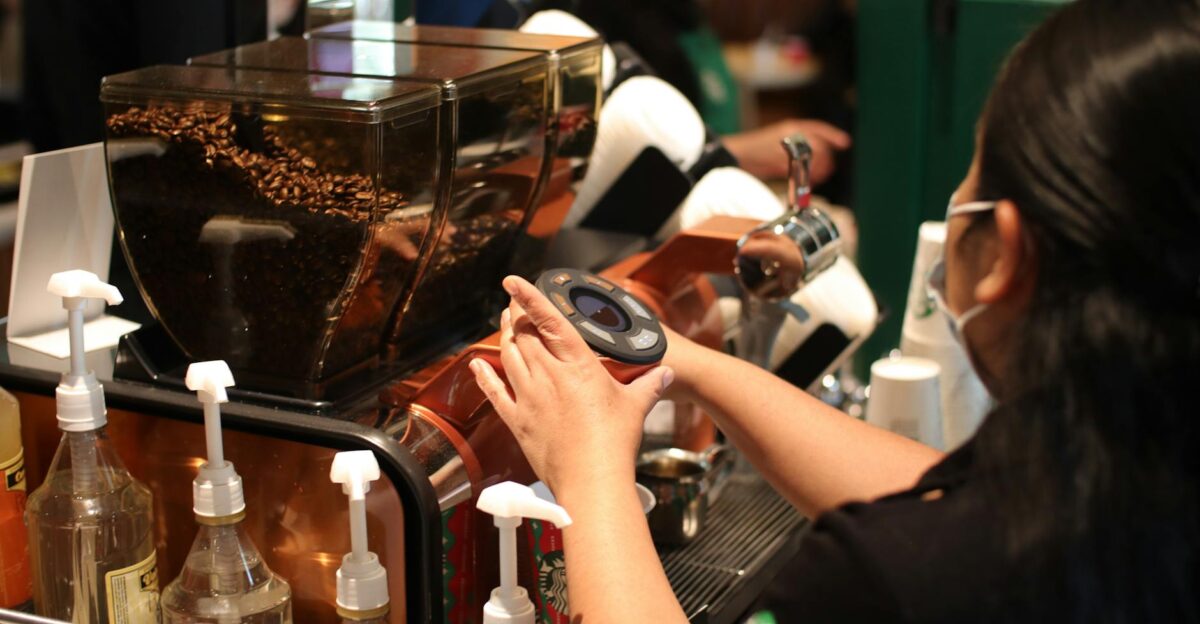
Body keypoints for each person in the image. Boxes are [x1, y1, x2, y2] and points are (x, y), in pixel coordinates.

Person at [470, 0, 1200, 621]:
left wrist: (590, 473)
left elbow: (935, 533)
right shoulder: (1126, 466)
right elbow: (943, 487)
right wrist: (679, 359)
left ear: (1004, 252)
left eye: (971, 170)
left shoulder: (894, 580)